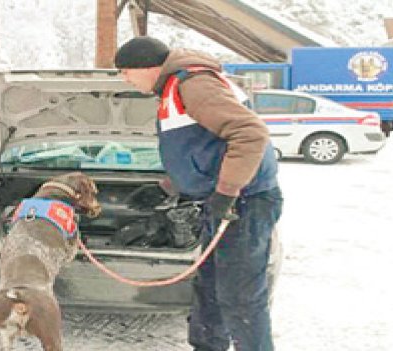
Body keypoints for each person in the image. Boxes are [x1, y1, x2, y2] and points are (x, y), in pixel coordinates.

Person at [114, 36, 283, 351]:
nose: (124, 78)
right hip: (223, 201)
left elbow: (249, 133)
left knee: (240, 296)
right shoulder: (174, 90)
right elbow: (205, 151)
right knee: (209, 288)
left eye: (125, 71)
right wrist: (168, 187)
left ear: (147, 67)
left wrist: (227, 192)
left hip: (245, 203)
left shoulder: (194, 85)